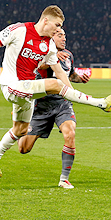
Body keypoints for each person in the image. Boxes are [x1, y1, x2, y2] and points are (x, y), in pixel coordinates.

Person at [0, 5, 111, 179]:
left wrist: (72, 94)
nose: (58, 29)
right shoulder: (19, 29)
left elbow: (60, 72)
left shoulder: (49, 45)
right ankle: (102, 103)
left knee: (20, 130)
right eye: (57, 25)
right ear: (46, 21)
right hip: (11, 85)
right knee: (54, 84)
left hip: (27, 91)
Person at [18, 28, 90, 189]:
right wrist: (53, 57)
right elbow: (40, 66)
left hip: (62, 104)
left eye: (65, 35)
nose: (64, 38)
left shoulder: (68, 55)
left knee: (70, 133)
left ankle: (64, 179)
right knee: (23, 148)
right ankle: (19, 124)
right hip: (41, 105)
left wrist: (79, 79)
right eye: (60, 35)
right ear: (51, 38)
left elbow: (70, 75)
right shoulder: (41, 52)